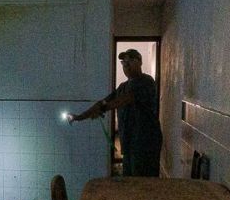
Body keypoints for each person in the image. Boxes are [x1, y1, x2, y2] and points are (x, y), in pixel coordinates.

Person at [69, 48, 163, 176]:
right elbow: (103, 102)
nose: (126, 65)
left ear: (140, 62)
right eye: (124, 62)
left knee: (144, 182)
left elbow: (125, 100)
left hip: (146, 143)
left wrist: (103, 108)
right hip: (129, 143)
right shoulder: (123, 86)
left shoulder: (146, 81)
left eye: (130, 60)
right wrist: (79, 117)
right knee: (129, 180)